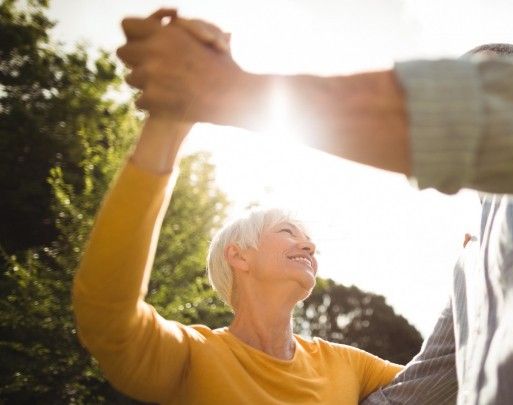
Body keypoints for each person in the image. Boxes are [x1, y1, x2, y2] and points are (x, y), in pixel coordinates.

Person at [115, 9, 513, 404]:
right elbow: (427, 384)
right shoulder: (473, 260)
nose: (308, 243)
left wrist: (231, 90)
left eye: (495, 83)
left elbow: (483, 116)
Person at [72, 60, 403, 404]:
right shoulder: (193, 357)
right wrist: (165, 129)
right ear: (239, 255)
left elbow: (444, 378)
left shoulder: (347, 363)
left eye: (307, 239)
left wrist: (465, 270)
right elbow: (106, 314)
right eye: (288, 231)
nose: (309, 245)